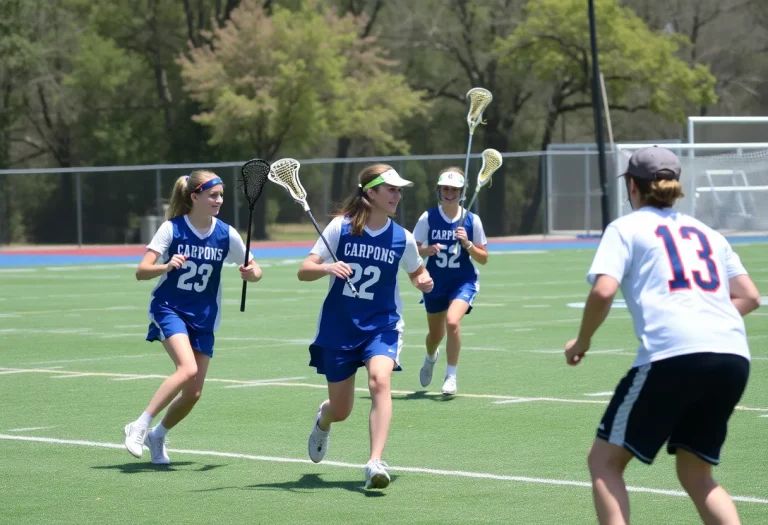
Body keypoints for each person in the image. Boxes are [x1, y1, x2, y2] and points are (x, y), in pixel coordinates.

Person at [564, 147, 761, 525]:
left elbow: (604, 290)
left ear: (632, 188)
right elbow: (749, 296)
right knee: (696, 474)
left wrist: (583, 341)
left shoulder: (625, 227)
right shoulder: (707, 232)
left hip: (674, 356)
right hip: (733, 356)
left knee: (604, 462)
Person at [298, 164, 434, 490]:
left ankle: (375, 461)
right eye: (391, 189)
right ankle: (323, 420)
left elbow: (416, 272)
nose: (397, 196)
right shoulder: (339, 229)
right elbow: (305, 270)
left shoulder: (403, 238)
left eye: (400, 190)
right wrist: (328, 267)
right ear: (370, 192)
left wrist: (423, 280)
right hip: (339, 327)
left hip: (383, 325)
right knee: (341, 409)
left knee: (379, 380)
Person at [124, 170, 263, 464]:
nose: (219, 200)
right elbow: (141, 271)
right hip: (170, 308)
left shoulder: (227, 234)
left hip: (205, 317)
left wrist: (252, 273)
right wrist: (166, 266)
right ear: (194, 197)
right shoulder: (172, 229)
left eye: (221, 195)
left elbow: (254, 269)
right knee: (186, 369)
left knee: (194, 392)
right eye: (213, 195)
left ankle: (157, 435)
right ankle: (139, 425)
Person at [412, 167, 488, 395]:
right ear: (439, 190)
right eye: (446, 188)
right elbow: (413, 250)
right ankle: (430, 357)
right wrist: (427, 250)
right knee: (435, 336)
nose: (449, 192)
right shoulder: (428, 217)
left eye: (454, 189)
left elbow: (483, 258)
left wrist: (467, 244)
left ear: (462, 192)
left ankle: (451, 376)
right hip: (435, 283)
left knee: (453, 322)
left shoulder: (472, 220)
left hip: (462, 282)